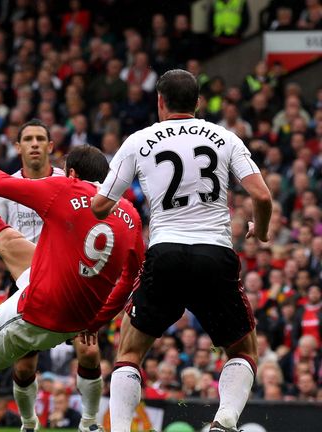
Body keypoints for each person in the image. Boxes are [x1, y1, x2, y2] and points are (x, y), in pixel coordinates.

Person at [91, 69, 272, 432]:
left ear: (160, 101)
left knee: (128, 353)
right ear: (198, 102)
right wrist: (260, 231)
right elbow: (262, 195)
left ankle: (121, 429)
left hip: (165, 253)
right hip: (214, 254)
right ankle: (224, 422)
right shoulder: (224, 138)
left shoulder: (139, 141)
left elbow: (99, 206)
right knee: (242, 351)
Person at [0, 131, 145, 432]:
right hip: (79, 314)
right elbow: (133, 276)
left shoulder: (64, 188)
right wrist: (98, 320)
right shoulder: (130, 213)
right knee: (9, 241)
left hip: (41, 310)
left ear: (71, 173)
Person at [0, 119, 107, 431]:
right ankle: (29, 423)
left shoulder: (68, 183)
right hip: (26, 282)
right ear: (18, 147)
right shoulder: (6, 190)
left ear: (51, 147)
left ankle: (90, 422)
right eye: (28, 139)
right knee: (25, 364)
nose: (35, 144)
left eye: (41, 138)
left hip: (71, 282)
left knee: (89, 350)